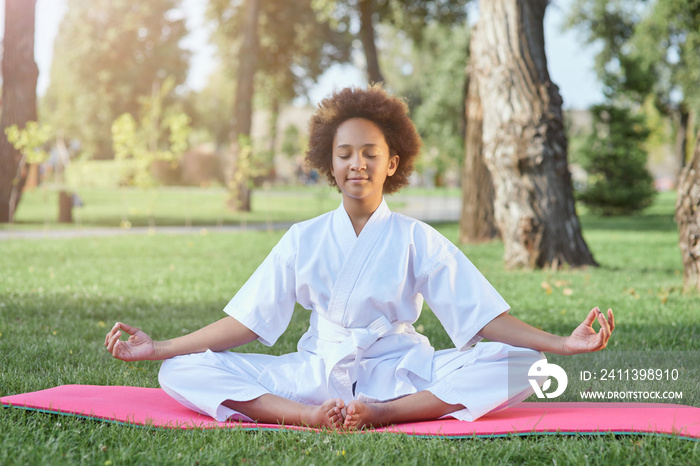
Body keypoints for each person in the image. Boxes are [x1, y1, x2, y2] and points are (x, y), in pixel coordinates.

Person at [105, 86, 614, 430]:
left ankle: (385, 413)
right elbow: (244, 322)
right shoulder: (303, 238)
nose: (357, 163)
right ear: (329, 161)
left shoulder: (418, 239)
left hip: (400, 372)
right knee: (180, 372)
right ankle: (303, 416)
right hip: (312, 373)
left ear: (392, 162)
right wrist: (161, 349)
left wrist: (562, 345)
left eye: (370, 152)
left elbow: (484, 316)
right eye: (345, 152)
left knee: (523, 364)